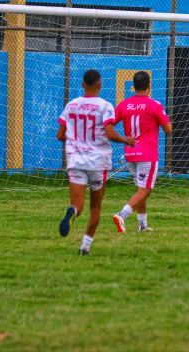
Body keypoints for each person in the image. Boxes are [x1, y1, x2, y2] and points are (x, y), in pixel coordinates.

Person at [57, 69, 134, 255]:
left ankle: (72, 212)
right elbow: (109, 133)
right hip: (98, 162)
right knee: (95, 207)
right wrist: (126, 140)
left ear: (83, 84)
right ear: (100, 84)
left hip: (76, 160)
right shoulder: (104, 106)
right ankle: (85, 247)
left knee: (78, 205)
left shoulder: (72, 105)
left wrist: (77, 141)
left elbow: (60, 135)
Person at [112, 71, 172, 233]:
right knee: (145, 189)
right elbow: (168, 129)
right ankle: (122, 215)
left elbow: (109, 124)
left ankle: (143, 225)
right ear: (149, 86)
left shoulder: (123, 105)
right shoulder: (155, 105)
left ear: (133, 86)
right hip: (147, 154)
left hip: (130, 153)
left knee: (141, 188)